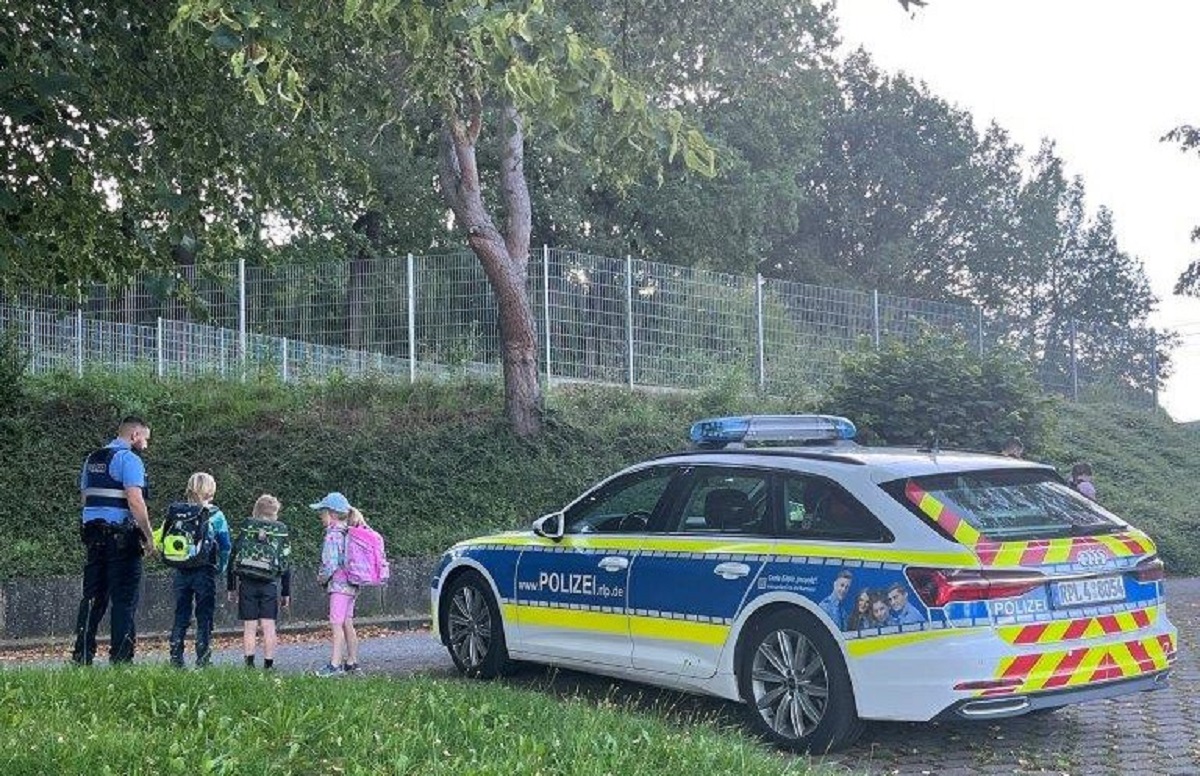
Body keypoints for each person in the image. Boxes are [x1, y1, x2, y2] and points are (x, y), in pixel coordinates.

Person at [71, 416, 157, 665]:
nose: (146, 445)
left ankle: (81, 654)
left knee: (92, 596)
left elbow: (85, 498)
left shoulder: (92, 459)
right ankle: (121, 658)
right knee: (124, 600)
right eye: (145, 439)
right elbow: (135, 500)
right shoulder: (129, 459)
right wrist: (149, 536)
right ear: (134, 436)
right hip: (122, 538)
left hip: (94, 535)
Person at [166, 473, 231, 668]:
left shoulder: (178, 512)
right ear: (211, 491)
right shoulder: (216, 515)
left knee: (181, 613)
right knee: (204, 614)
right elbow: (225, 544)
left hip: (182, 569)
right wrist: (222, 566)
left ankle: (176, 655)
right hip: (204, 570)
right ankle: (203, 657)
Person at [227, 494, 292, 670]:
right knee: (268, 625)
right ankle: (268, 665)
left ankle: (249, 665)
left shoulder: (248, 528)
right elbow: (286, 564)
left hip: (247, 583)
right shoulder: (279, 532)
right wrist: (286, 592)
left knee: (249, 626)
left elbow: (233, 557)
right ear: (275, 513)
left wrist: (231, 586)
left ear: (256, 510)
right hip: (270, 584)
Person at [313, 492, 363, 677]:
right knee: (347, 623)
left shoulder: (333, 535)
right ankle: (352, 662)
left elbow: (330, 564)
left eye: (322, 513)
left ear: (331, 514)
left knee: (336, 624)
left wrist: (321, 578)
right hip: (352, 584)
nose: (321, 517)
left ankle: (335, 665)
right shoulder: (349, 532)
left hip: (339, 585)